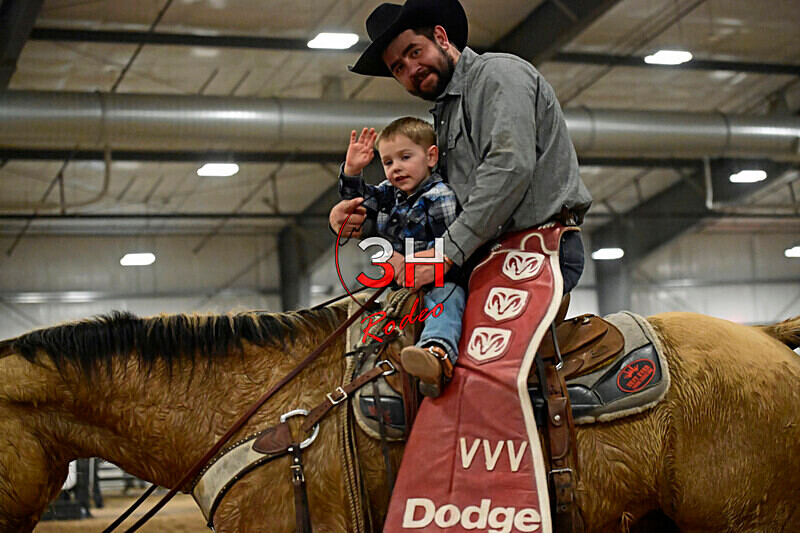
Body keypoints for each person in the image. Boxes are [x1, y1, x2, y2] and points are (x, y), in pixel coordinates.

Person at [329, 0, 593, 298]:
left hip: (534, 249)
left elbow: (509, 168)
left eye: (415, 52)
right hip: (484, 255)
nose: (412, 69)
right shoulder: (446, 113)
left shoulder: (498, 74)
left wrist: (445, 253)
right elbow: (424, 200)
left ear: (441, 37)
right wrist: (361, 221)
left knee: (475, 328)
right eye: (398, 68)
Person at [337, 117, 466, 397]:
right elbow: (358, 202)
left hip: (439, 280)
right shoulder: (389, 193)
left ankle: (436, 352)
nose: (396, 167)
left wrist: (413, 263)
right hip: (400, 285)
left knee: (447, 299)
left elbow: (452, 248)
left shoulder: (440, 197)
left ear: (431, 157)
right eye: (388, 162)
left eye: (405, 157)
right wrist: (352, 171)